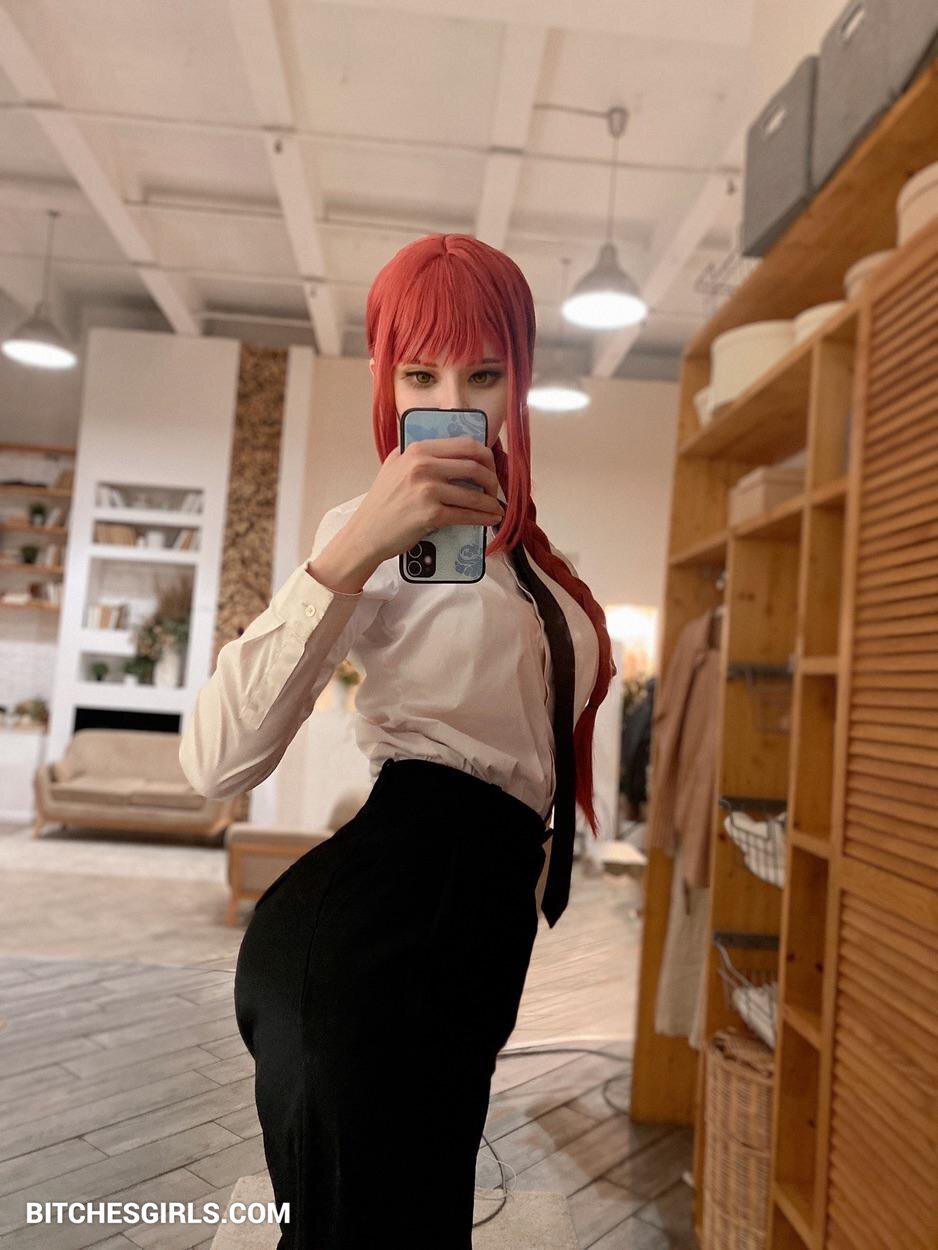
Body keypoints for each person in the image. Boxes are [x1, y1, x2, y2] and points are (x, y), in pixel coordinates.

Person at [179, 233, 616, 1249]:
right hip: (372, 938)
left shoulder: (536, 559)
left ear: (519, 380)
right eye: (421, 375)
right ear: (385, 378)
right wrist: (353, 548)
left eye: (484, 374)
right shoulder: (368, 533)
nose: (454, 400)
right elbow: (216, 760)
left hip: (475, 925)